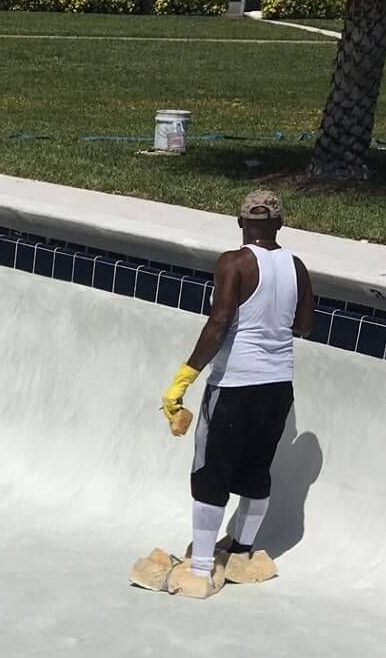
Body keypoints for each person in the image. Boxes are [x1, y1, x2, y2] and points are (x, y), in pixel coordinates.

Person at [131, 188, 315, 600]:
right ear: (280, 224)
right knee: (256, 469)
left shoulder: (233, 262)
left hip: (235, 384)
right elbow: (304, 325)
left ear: (240, 224)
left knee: (209, 471)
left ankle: (200, 570)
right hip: (277, 385)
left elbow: (219, 323)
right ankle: (243, 553)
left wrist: (184, 378)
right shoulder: (297, 267)